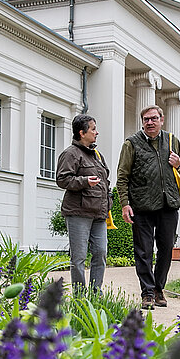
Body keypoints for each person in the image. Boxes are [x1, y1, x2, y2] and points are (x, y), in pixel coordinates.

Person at [117, 105, 180, 310]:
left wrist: (179, 164)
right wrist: (124, 204)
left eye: (154, 118)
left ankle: (158, 289)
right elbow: (122, 176)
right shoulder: (131, 143)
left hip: (168, 205)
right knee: (144, 252)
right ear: (142, 122)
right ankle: (147, 292)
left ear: (162, 119)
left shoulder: (173, 140)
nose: (150, 122)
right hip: (142, 206)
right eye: (146, 119)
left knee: (166, 249)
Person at [56, 114, 112, 293]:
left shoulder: (97, 155)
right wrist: (85, 181)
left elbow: (105, 181)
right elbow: (62, 179)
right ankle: (80, 296)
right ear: (82, 132)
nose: (97, 133)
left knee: (101, 253)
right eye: (93, 129)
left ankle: (95, 293)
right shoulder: (70, 153)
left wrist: (108, 200)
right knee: (78, 258)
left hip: (99, 214)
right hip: (78, 212)